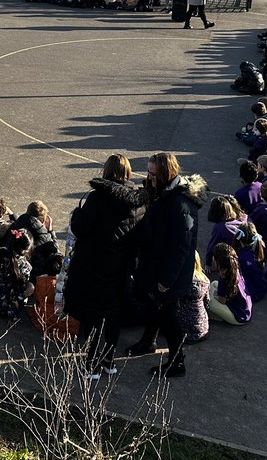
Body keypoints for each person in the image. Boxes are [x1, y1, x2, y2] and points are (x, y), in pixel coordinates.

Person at [63, 154, 148, 377]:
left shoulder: (96, 198)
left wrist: (76, 215)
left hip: (93, 265)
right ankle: (109, 361)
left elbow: (80, 228)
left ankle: (91, 364)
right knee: (113, 314)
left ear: (106, 172)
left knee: (91, 314)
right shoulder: (139, 203)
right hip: (121, 267)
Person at [128, 152, 207, 378]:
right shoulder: (164, 194)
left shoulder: (179, 203)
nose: (149, 178)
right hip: (156, 266)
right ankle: (148, 341)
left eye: (153, 174)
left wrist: (166, 280)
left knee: (168, 317)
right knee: (154, 307)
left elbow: (180, 247)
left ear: (165, 174)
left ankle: (177, 360)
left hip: (167, 273)